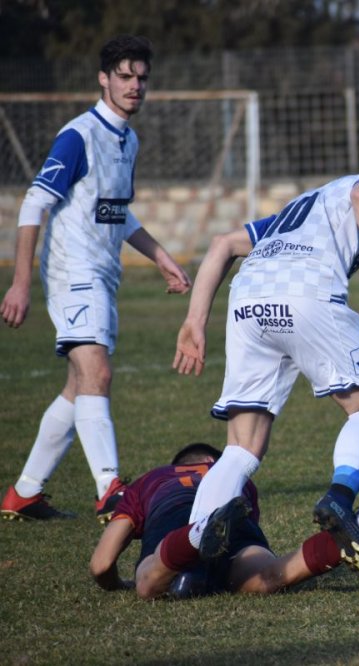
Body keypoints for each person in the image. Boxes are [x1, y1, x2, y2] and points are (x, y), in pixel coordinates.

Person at [168, 148, 359, 577]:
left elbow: (223, 245)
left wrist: (195, 322)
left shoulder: (308, 205)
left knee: (241, 446)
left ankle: (191, 559)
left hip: (248, 300)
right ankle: (340, 499)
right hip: (305, 292)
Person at [1, 35, 191, 524]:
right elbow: (34, 203)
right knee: (98, 375)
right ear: (104, 79)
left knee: (77, 387)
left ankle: (23, 493)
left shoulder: (129, 140)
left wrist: (161, 256)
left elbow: (117, 214)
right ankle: (110, 490)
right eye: (125, 76)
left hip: (103, 277)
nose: (135, 86)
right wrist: (21, 283)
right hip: (72, 274)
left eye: (142, 78)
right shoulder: (78, 135)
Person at [90, 442, 359, 599]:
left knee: (148, 583)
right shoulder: (240, 482)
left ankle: (197, 533)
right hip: (233, 513)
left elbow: (101, 564)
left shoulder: (151, 479)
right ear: (215, 461)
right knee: (267, 576)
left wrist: (117, 584)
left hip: (174, 512)